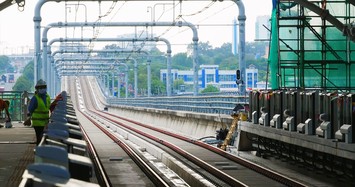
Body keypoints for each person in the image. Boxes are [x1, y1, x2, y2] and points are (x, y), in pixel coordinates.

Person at [27, 79, 51, 145]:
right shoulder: (35, 98)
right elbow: (30, 109)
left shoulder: (47, 97)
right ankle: (39, 152)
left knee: (44, 138)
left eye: (43, 87)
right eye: (40, 88)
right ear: (37, 89)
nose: (42, 89)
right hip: (38, 123)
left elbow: (49, 107)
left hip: (45, 122)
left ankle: (41, 151)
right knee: (39, 138)